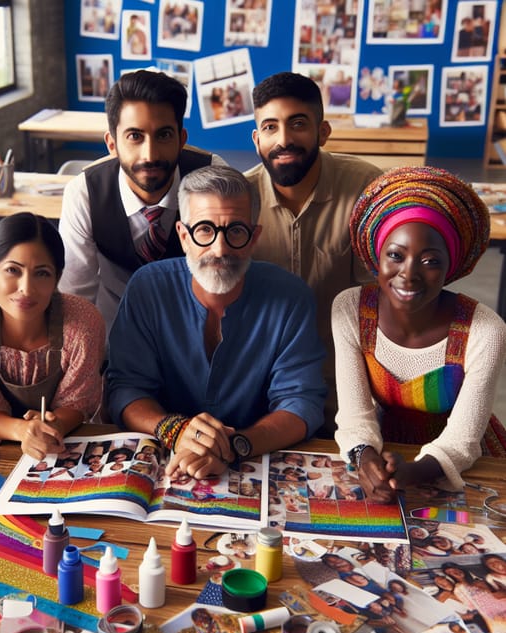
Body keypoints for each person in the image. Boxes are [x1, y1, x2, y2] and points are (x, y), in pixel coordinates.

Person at [107, 165, 326, 479]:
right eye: (205, 230)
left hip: (253, 459)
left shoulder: (292, 297)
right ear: (183, 236)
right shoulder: (147, 288)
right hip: (166, 461)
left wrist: (234, 446)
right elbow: (125, 389)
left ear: (254, 238)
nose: (220, 249)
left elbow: (301, 402)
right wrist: (176, 430)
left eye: (235, 230)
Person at [332, 166, 506, 503]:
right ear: (376, 257)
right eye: (395, 255)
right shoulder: (350, 309)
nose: (408, 275)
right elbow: (355, 414)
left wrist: (410, 473)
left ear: (450, 266)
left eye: (430, 261)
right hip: (385, 451)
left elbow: (463, 441)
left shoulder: (484, 330)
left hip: (463, 466)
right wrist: (366, 459)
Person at [245, 71, 382, 434]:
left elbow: (380, 301)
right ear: (257, 139)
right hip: (258, 389)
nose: (284, 140)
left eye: (298, 124)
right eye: (270, 128)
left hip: (346, 387)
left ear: (323, 132)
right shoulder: (238, 200)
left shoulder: (366, 189)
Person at [59, 69, 223, 331]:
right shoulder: (84, 194)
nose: (150, 154)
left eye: (164, 135)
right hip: (114, 334)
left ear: (181, 140)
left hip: (196, 332)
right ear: (112, 144)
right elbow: (75, 298)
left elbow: (230, 277)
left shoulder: (214, 178)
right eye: (135, 136)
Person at [0, 212, 104, 460]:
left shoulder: (83, 320)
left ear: (57, 279)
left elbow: (77, 403)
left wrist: (54, 426)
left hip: (59, 447)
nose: (26, 289)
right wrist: (23, 430)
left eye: (42, 273)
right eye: (13, 270)